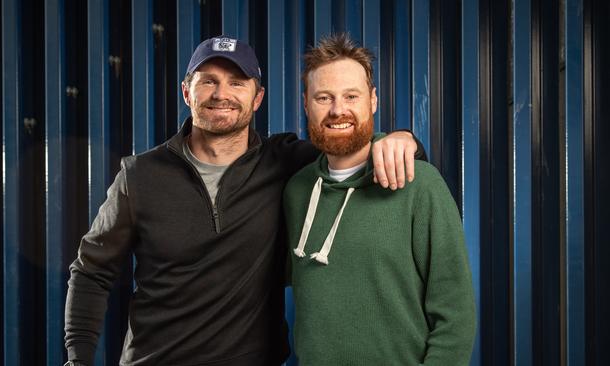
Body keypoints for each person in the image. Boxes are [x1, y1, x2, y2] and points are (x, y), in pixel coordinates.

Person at [63, 35, 425, 366]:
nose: (222, 93)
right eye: (208, 81)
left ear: (258, 98)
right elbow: (91, 271)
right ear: (187, 92)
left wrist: (404, 139)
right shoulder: (139, 175)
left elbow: (348, 146)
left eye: (237, 82)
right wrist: (78, 359)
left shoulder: (285, 162)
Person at [283, 33, 476, 366]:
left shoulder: (420, 184)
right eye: (323, 97)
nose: (338, 110)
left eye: (351, 96)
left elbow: (455, 315)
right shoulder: (296, 191)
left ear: (372, 100)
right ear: (305, 104)